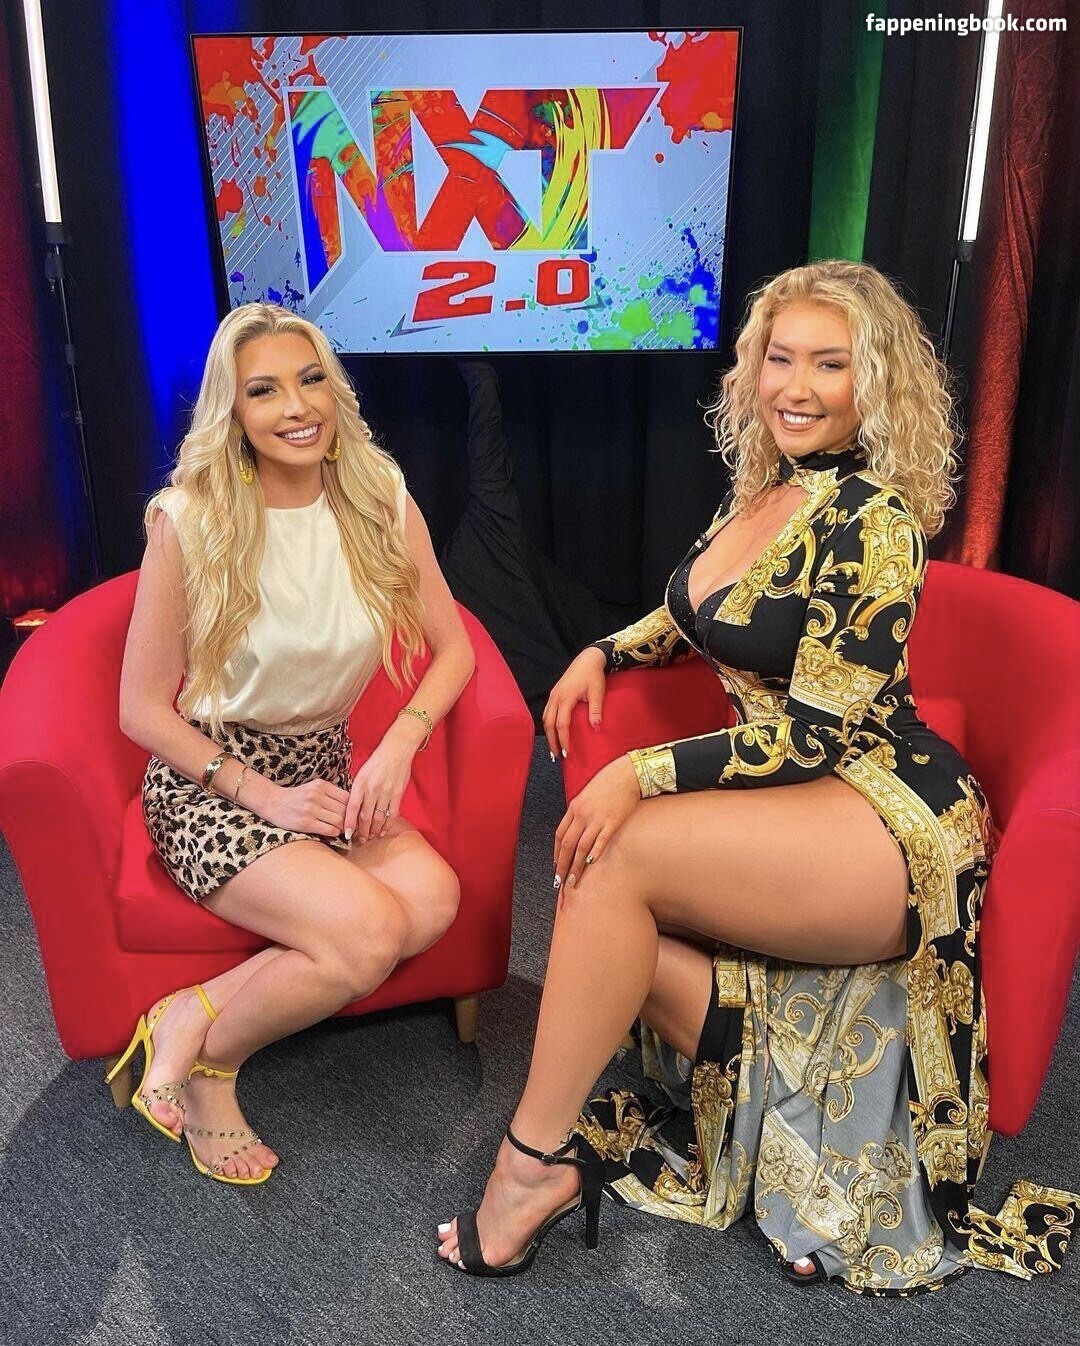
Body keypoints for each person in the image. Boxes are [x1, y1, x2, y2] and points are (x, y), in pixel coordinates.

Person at [436, 261, 1078, 1290]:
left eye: (830, 364)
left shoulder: (875, 518)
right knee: (608, 873)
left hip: (888, 806)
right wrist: (604, 648)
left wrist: (640, 770)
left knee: (616, 848)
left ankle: (529, 1168)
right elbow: (693, 610)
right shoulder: (769, 490)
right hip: (797, 794)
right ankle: (665, 1123)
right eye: (781, 358)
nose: (797, 386)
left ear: (875, 382)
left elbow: (816, 735)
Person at [115, 302, 472, 1184]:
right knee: (368, 933)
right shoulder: (189, 518)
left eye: (311, 380)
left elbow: (455, 649)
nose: (297, 406)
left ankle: (188, 1012)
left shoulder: (377, 493)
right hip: (211, 785)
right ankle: (215, 1069)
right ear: (232, 412)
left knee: (433, 900)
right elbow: (141, 711)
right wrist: (262, 794)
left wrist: (398, 745)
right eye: (264, 390)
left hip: (323, 773)